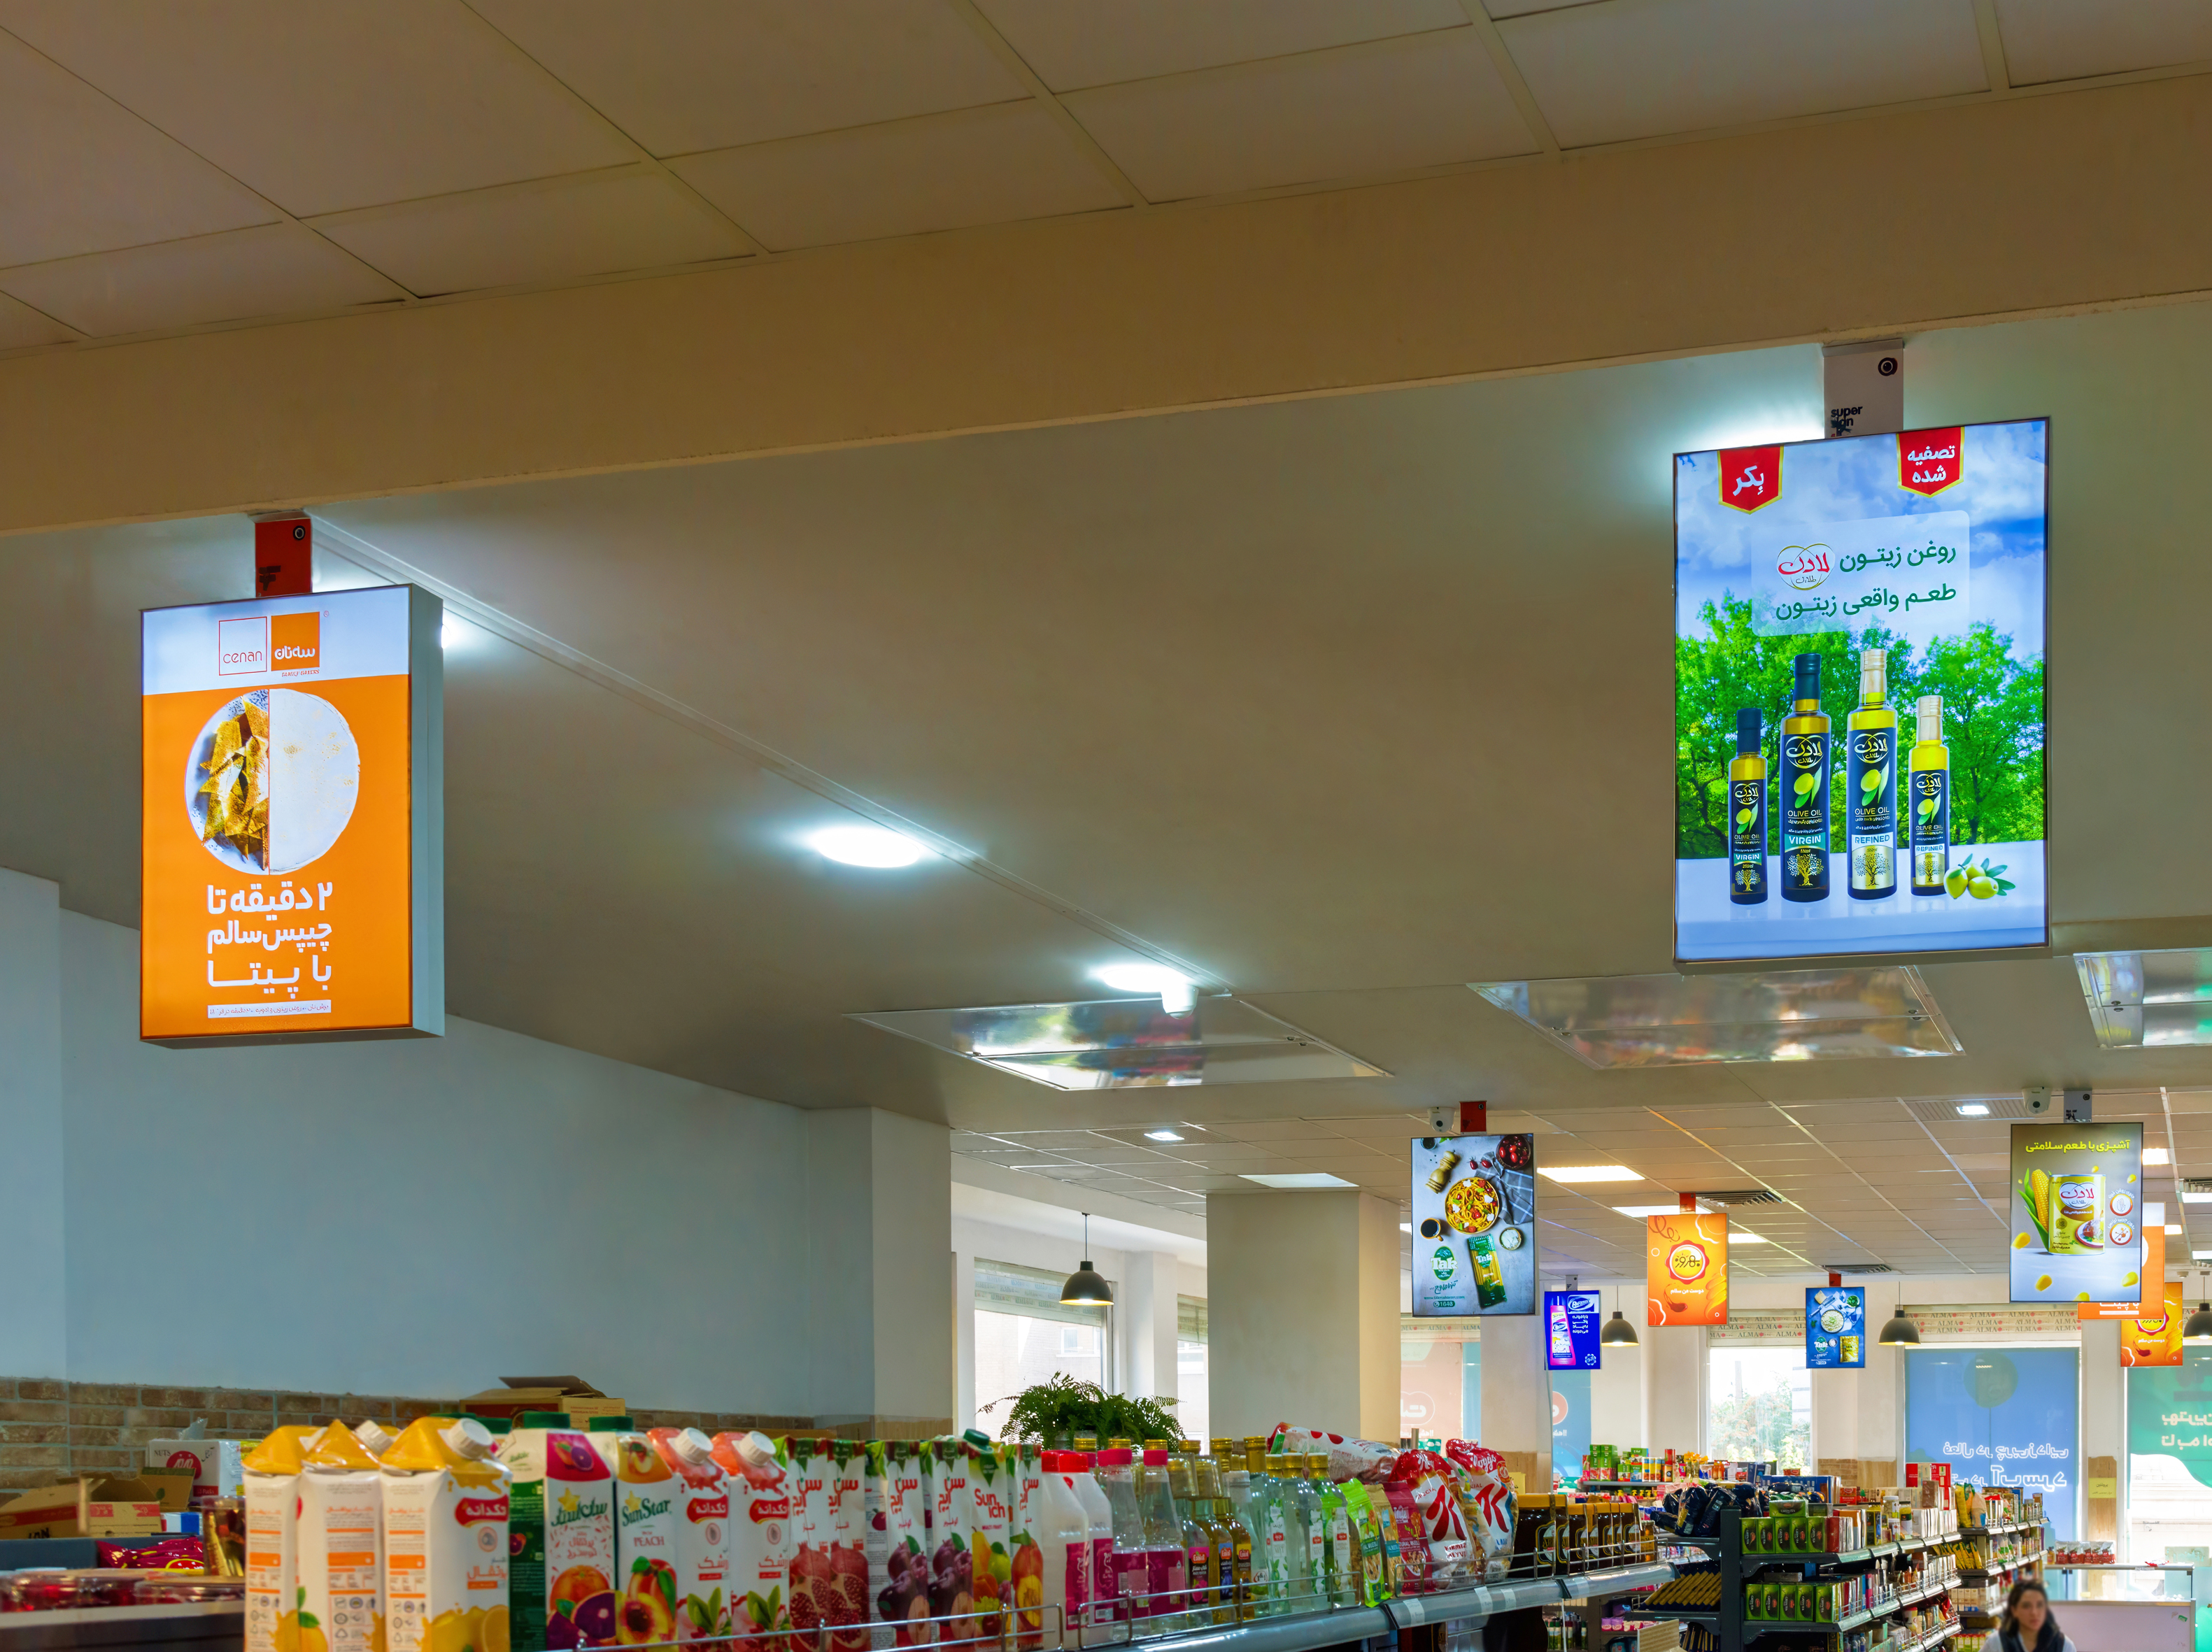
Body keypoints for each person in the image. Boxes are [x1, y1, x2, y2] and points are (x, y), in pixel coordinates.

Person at [1996, 1579, 2075, 1652]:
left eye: (2040, 1605)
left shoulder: (2064, 1646)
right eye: (2026, 1606)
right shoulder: (1997, 1644)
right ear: (2014, 1611)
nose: (2034, 1612)